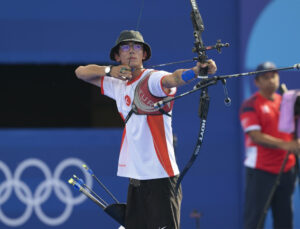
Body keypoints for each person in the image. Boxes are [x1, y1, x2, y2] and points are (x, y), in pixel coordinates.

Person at [75, 30, 217, 229]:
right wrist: (109, 71)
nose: (132, 51)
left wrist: (195, 71)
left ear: (144, 55)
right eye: (125, 47)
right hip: (137, 179)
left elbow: (172, 79)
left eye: (137, 47)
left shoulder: (151, 79)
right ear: (117, 56)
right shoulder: (116, 83)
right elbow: (80, 72)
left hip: (161, 179)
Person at [239, 61, 300, 229]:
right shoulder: (250, 104)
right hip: (261, 170)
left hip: (287, 169)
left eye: (273, 75)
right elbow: (256, 136)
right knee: (255, 221)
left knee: (284, 220)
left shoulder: (288, 100)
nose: (271, 80)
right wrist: (287, 145)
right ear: (256, 82)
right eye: (265, 77)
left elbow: (295, 131)